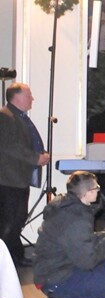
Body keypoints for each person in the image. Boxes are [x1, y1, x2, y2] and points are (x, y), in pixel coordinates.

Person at [0, 83, 49, 267]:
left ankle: (14, 257)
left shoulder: (16, 116)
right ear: (17, 97)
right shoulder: (5, 116)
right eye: (29, 95)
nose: (32, 98)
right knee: (9, 222)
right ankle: (10, 261)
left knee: (16, 220)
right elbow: (10, 146)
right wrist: (37, 158)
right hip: (9, 179)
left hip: (17, 178)